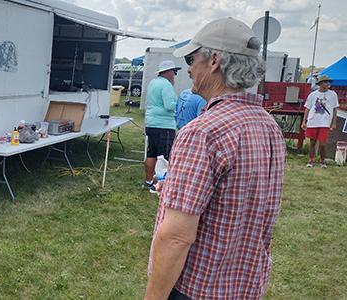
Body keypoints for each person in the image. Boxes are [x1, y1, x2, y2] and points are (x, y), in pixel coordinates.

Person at [144, 18, 286, 300]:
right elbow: (240, 198)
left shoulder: (202, 131)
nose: (188, 67)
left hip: (196, 289)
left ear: (214, 61)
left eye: (191, 57)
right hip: (244, 286)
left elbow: (176, 237)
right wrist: (174, 189)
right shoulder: (269, 126)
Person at [142, 60, 180, 193]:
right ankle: (157, 185)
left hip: (151, 122)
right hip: (164, 125)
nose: (175, 74)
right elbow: (169, 106)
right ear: (168, 71)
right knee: (163, 156)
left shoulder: (153, 82)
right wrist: (180, 105)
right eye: (174, 71)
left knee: (151, 152)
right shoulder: (166, 85)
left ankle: (148, 181)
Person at [300, 74, 338, 168]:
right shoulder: (313, 95)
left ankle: (322, 160)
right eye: (325, 82)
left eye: (329, 82)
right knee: (312, 142)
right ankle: (311, 160)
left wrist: (333, 123)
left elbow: (334, 109)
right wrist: (304, 122)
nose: (328, 83)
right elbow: (307, 109)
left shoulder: (333, 94)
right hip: (313, 121)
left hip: (325, 122)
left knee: (322, 143)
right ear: (320, 83)